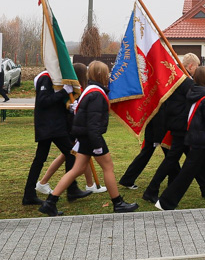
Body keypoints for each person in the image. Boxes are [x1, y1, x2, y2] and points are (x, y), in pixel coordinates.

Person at [39, 61, 138, 216]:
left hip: (85, 137)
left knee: (76, 170)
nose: (109, 76)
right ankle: (118, 203)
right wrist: (97, 145)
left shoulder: (90, 91)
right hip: (92, 138)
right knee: (108, 168)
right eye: (107, 73)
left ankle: (50, 202)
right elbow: (93, 123)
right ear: (101, 75)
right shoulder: (97, 94)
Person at [156, 66, 205, 209]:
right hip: (201, 140)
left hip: (197, 138)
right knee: (187, 173)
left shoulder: (194, 92)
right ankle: (165, 202)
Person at [23, 68, 93, 206]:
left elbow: (53, 103)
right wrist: (63, 92)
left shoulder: (53, 78)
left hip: (53, 125)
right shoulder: (46, 77)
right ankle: (71, 189)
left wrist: (68, 107)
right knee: (72, 153)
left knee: (41, 159)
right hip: (50, 127)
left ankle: (29, 194)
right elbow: (43, 101)